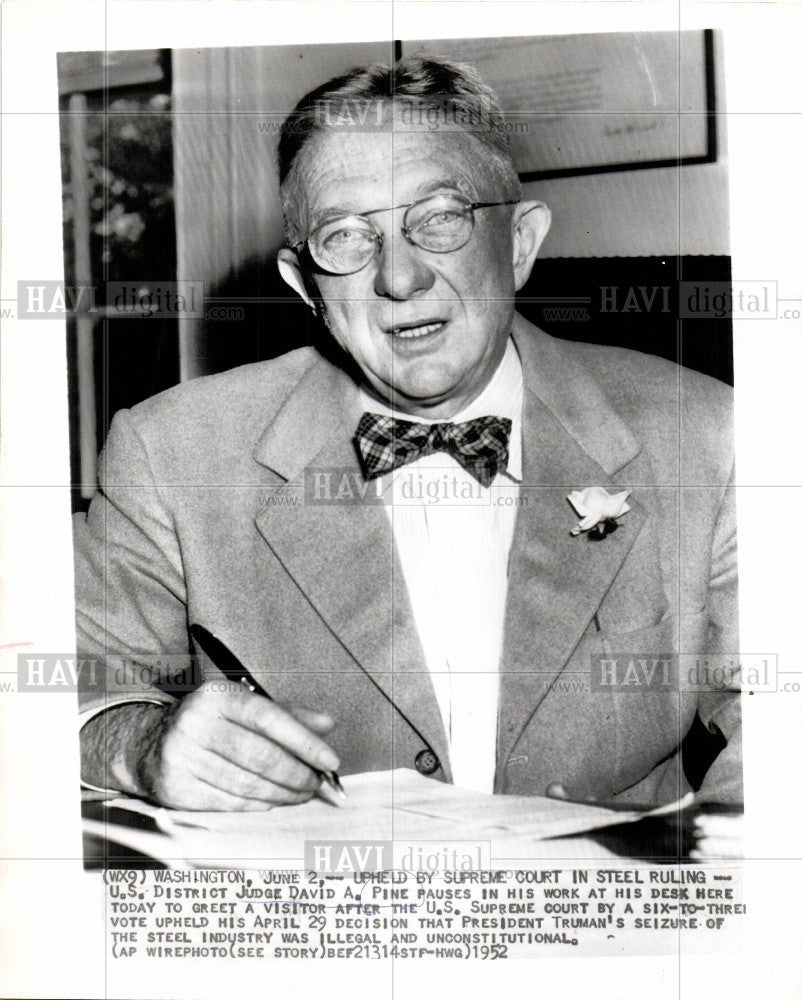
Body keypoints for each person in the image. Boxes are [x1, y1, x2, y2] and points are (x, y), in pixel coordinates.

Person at [75, 55, 741, 813]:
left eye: (440, 219)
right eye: (347, 237)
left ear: (519, 243)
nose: (401, 278)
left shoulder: (705, 436)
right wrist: (137, 744)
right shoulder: (175, 452)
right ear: (306, 288)